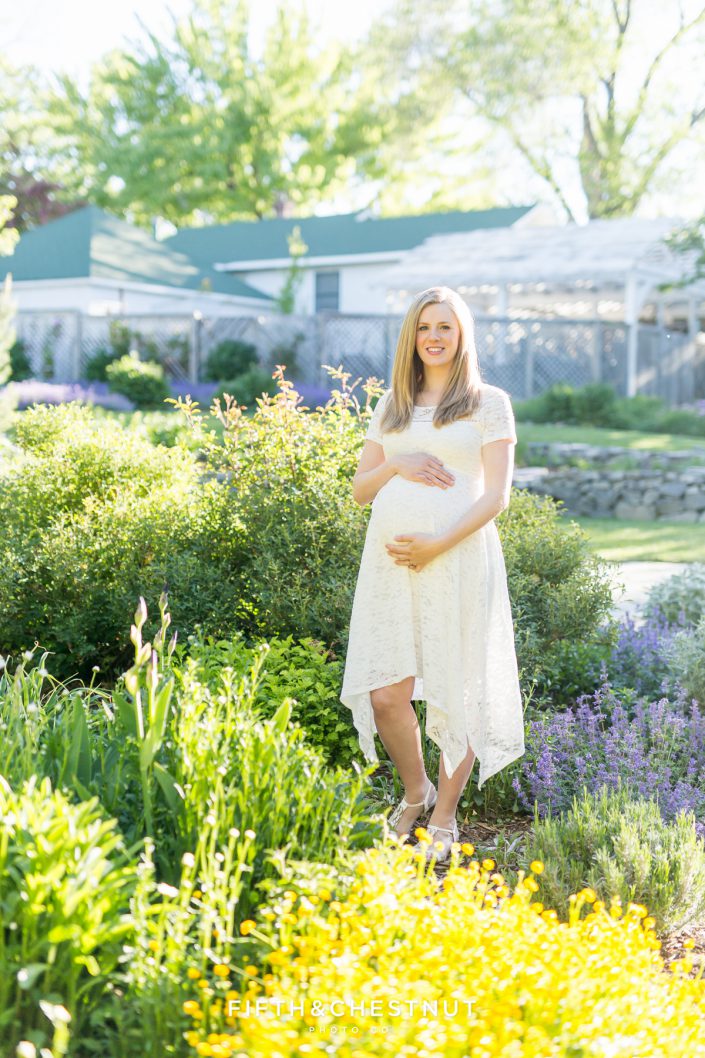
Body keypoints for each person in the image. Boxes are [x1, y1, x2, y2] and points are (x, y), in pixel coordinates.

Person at [339, 285, 525, 863]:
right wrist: (398, 462)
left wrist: (436, 545)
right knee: (387, 693)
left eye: (445, 326)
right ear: (411, 337)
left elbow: (496, 497)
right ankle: (415, 790)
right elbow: (359, 491)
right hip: (391, 572)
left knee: (456, 686)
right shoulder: (392, 406)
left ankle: (443, 815)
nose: (434, 337)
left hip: (458, 560)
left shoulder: (488, 403)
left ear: (461, 334)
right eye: (424, 327)